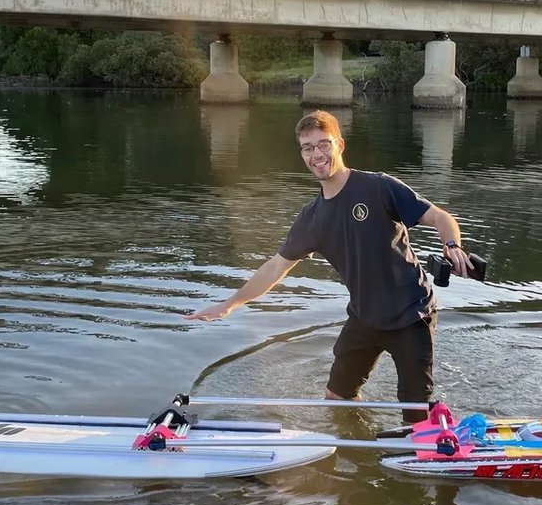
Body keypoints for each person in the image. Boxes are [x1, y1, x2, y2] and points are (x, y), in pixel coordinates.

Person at [185, 110, 472, 421]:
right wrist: (230, 304)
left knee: (415, 415)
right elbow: (275, 267)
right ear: (302, 154)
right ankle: (356, 446)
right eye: (308, 147)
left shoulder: (378, 187)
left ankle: (423, 447)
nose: (316, 154)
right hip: (364, 318)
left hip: (411, 313)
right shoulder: (312, 218)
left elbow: (441, 218)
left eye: (324, 144)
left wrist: (452, 245)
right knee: (337, 399)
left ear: (340, 145)